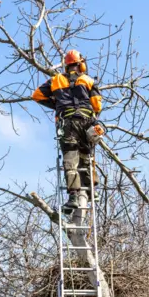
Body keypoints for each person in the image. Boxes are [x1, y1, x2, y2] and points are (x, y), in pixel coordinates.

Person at [32, 49, 104, 212]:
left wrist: (57, 105)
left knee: (70, 160)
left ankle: (73, 197)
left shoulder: (55, 80)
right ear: (80, 64)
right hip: (86, 122)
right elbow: (97, 105)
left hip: (68, 123)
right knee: (87, 155)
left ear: (67, 65)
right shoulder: (88, 80)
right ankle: (92, 189)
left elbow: (37, 95)